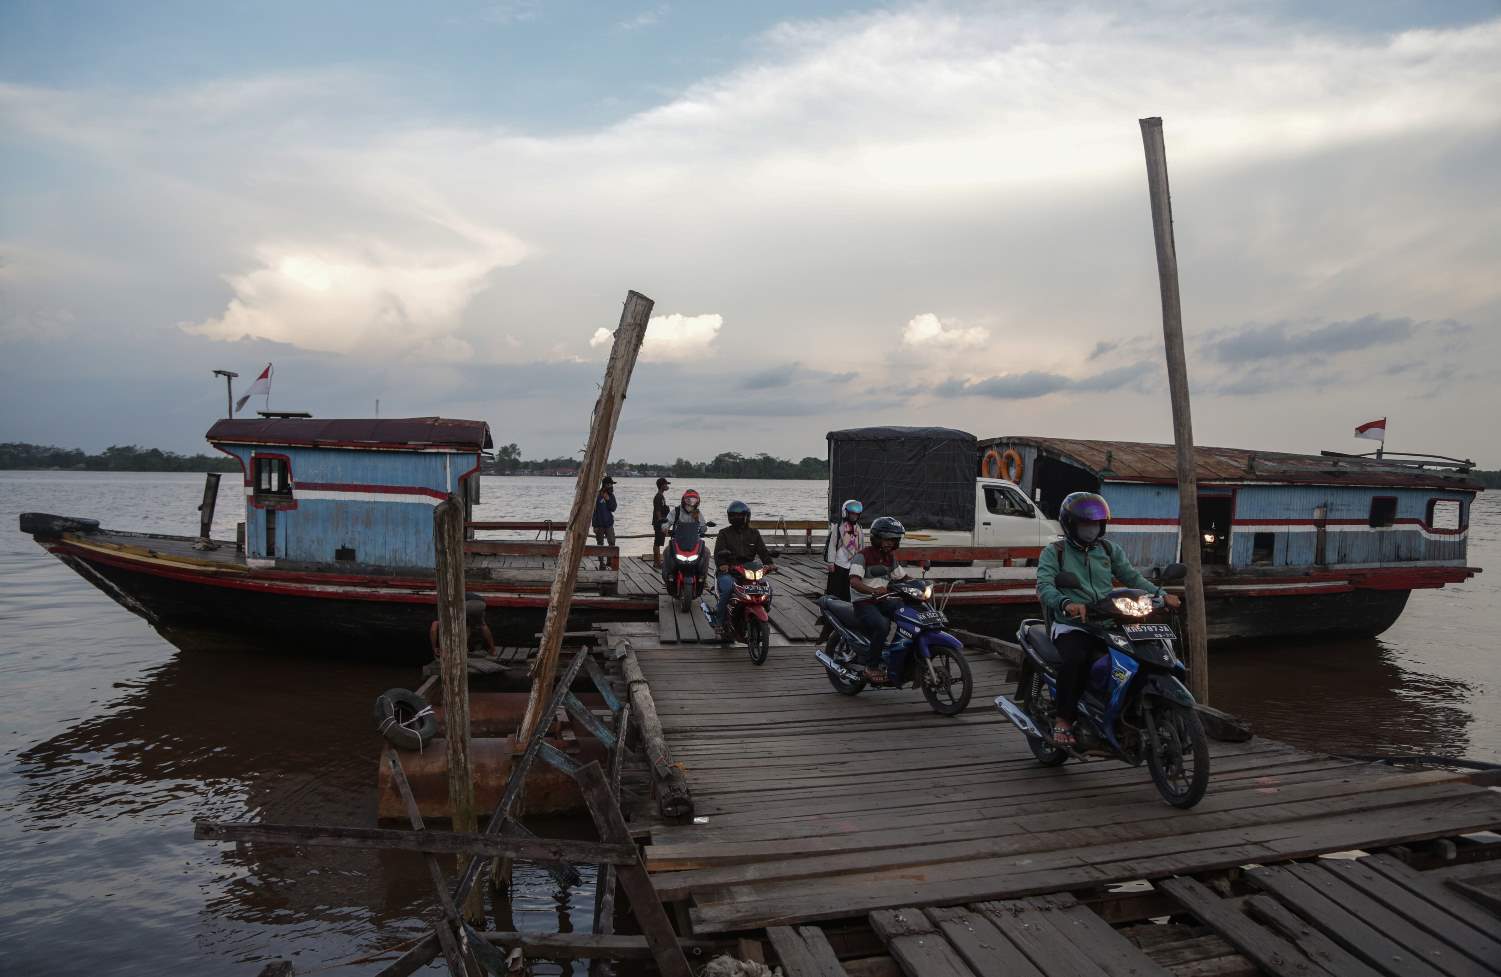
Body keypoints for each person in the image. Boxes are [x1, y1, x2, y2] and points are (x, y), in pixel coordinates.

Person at [1036, 491, 1181, 746]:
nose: (1091, 529)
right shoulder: (1055, 552)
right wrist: (1066, 603)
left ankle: (1126, 710)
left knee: (1138, 656)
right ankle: (1064, 719)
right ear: (1070, 524)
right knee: (1076, 659)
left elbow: (1132, 577)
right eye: (1085, 524)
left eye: (1095, 524)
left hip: (1107, 621)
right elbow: (1045, 586)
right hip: (1072, 625)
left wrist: (1161, 594)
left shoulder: (1108, 549)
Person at [847, 516, 910, 683]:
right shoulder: (862, 556)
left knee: (907, 613)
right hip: (864, 602)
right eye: (886, 539)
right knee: (883, 625)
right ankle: (871, 666)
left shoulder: (890, 558)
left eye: (893, 539)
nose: (889, 543)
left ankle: (898, 653)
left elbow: (902, 578)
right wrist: (872, 591)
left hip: (883, 599)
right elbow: (854, 581)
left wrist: (923, 585)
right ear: (876, 538)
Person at [713, 501, 775, 636]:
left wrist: (770, 563)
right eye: (734, 515)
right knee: (728, 588)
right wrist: (723, 564)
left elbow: (763, 552)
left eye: (740, 515)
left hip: (749, 571)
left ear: (747, 516)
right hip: (729, 570)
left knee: (767, 588)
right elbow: (718, 553)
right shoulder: (724, 533)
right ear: (729, 517)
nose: (737, 518)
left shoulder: (754, 533)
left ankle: (761, 612)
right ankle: (719, 620)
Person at [660, 489, 709, 585]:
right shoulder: (676, 511)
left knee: (706, 551)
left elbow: (703, 526)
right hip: (678, 541)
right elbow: (668, 521)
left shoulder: (697, 513)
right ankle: (667, 576)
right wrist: (664, 527)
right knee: (666, 551)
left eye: (694, 500)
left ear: (697, 501)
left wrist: (704, 527)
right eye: (688, 500)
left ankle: (703, 577)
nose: (691, 502)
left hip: (694, 541)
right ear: (683, 500)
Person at [429, 591, 497, 659]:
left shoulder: (442, 607)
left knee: (456, 625)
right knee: (481, 625)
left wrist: (434, 647)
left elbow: (433, 629)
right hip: (481, 603)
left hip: (466, 603)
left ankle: (458, 651)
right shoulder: (457, 593)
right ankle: (493, 650)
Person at [823, 499, 864, 601]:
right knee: (835, 587)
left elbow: (861, 546)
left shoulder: (859, 528)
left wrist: (862, 563)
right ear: (846, 513)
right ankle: (831, 603)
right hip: (839, 562)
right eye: (852, 514)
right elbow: (832, 545)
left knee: (848, 589)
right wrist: (831, 562)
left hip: (852, 563)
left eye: (856, 514)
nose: (854, 516)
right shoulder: (838, 527)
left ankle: (846, 606)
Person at [592, 477, 617, 569]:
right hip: (599, 525)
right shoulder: (597, 495)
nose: (612, 486)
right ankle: (601, 563)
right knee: (600, 544)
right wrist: (594, 525)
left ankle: (609, 562)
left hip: (609, 524)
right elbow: (593, 512)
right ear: (605, 485)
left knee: (612, 542)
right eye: (610, 484)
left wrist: (608, 499)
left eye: (612, 484)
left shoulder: (611, 495)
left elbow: (613, 508)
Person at [651, 476, 671, 568]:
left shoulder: (661, 496)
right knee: (657, 542)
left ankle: (657, 562)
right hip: (659, 522)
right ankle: (657, 562)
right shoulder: (658, 497)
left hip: (660, 522)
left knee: (658, 542)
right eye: (666, 484)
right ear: (662, 485)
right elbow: (657, 511)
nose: (667, 486)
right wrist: (661, 522)